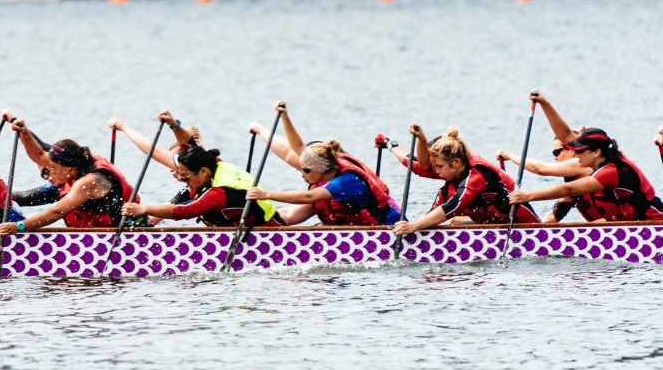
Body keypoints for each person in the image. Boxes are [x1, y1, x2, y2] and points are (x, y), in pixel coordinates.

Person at [245, 102, 400, 226]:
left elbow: (308, 196)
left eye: (304, 170)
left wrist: (266, 195)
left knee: (315, 201)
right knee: (285, 216)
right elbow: (292, 149)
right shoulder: (324, 162)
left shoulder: (345, 182)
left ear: (318, 169)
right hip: (350, 218)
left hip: (388, 227)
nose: (301, 174)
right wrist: (266, 126)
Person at [0, 119, 134, 235]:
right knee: (9, 198)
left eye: (54, 169)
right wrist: (24, 132)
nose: (50, 173)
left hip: (121, 231)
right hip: (75, 196)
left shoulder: (89, 181)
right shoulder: (72, 163)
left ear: (69, 168)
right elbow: (39, 156)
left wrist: (19, 227)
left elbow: (57, 212)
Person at [393, 128, 538, 236]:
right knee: (449, 222)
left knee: (452, 220)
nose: (435, 171)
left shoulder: (477, 175)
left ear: (456, 162)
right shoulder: (451, 182)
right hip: (497, 226)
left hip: (526, 228)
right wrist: (412, 227)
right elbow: (414, 165)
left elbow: (453, 205)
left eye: (439, 167)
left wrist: (413, 227)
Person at [509, 128, 663, 222]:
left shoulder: (610, 172)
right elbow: (555, 213)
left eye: (580, 151)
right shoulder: (604, 162)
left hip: (655, 222)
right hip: (637, 225)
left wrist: (528, 196)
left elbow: (568, 189)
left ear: (597, 153)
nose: (576, 154)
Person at [120, 144, 280, 228]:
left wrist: (144, 209)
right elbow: (158, 152)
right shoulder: (214, 163)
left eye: (186, 176)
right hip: (245, 225)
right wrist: (123, 127)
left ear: (202, 172)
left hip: (262, 233)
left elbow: (185, 211)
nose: (182, 180)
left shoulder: (218, 193)